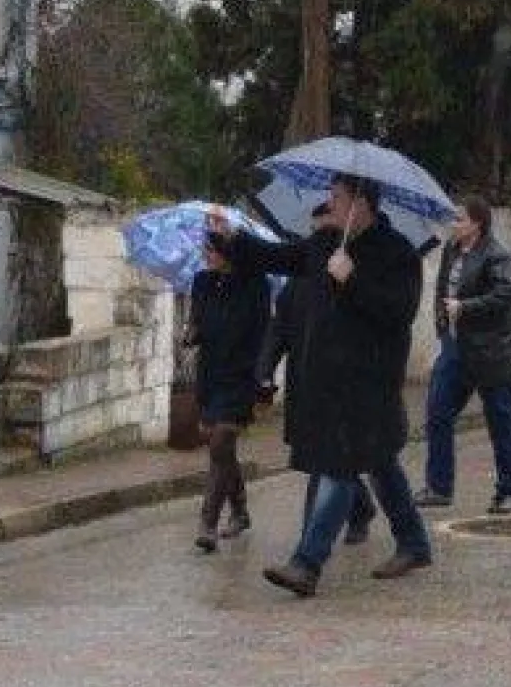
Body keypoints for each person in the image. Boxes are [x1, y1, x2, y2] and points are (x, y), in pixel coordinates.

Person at [208, 176, 434, 598]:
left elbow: (398, 313)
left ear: (361, 203)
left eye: (337, 198)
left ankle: (306, 563)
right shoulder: (326, 242)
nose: (328, 204)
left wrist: (352, 280)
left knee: (340, 468)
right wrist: (230, 240)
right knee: (381, 465)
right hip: (330, 381)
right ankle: (415, 543)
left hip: (371, 383)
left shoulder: (398, 253)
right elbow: (278, 256)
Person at [255, 203, 380, 547]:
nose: (318, 239)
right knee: (321, 460)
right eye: (314, 232)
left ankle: (307, 549)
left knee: (326, 459)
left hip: (342, 386)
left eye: (326, 231)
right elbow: (278, 329)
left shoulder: (354, 275)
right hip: (305, 381)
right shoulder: (298, 279)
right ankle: (361, 506)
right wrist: (264, 373)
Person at [414, 197, 511, 515]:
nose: (453, 224)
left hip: (493, 352)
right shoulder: (451, 250)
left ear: (477, 223)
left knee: (500, 420)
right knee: (437, 413)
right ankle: (439, 486)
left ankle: (507, 489)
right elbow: (442, 291)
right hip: (456, 348)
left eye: (459, 219)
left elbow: (504, 295)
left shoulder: (496, 255)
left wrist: (465, 307)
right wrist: (442, 326)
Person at [184, 242, 271, 553]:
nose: (207, 255)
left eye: (213, 250)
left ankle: (207, 523)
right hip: (211, 374)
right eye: (205, 249)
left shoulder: (255, 284)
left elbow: (264, 331)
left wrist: (263, 376)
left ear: (231, 253)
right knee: (220, 447)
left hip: (241, 376)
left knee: (220, 442)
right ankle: (241, 510)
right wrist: (193, 332)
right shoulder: (202, 282)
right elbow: (198, 319)